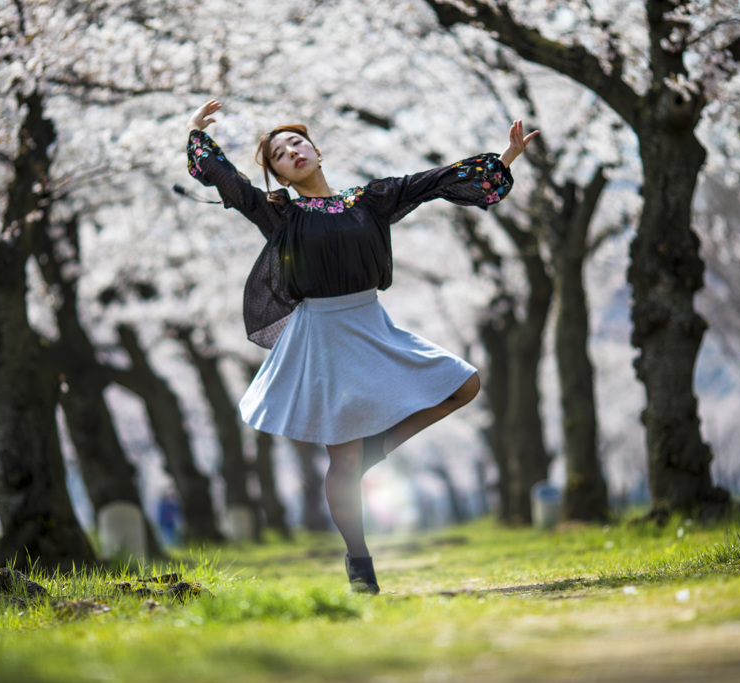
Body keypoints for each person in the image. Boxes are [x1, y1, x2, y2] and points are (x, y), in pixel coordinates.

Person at [185, 99, 537, 593]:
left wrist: (505, 158)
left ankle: (374, 452)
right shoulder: (280, 214)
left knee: (466, 384)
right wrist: (196, 135)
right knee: (342, 462)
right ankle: (359, 562)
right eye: (281, 155)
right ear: (281, 177)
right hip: (321, 337)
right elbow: (233, 186)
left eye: (297, 143)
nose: (292, 152)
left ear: (318, 150)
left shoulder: (371, 199)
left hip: (371, 322)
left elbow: (433, 182)